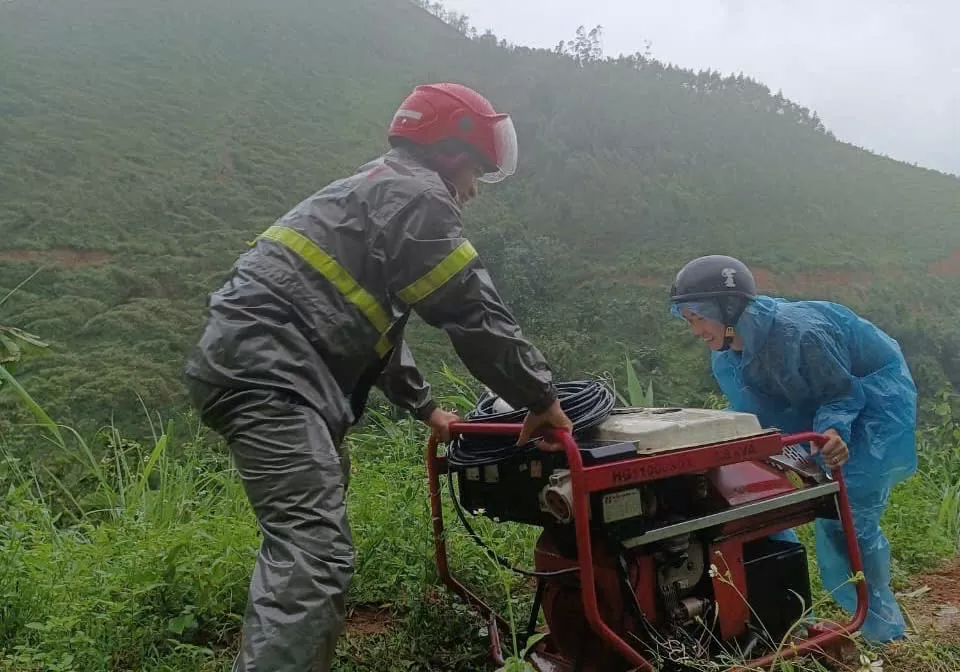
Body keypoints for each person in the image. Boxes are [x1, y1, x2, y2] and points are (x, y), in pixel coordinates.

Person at [181, 82, 573, 672]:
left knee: (312, 520)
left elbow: (373, 327)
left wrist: (427, 408)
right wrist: (538, 397)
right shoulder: (418, 197)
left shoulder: (377, 189)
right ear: (450, 153)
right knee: (313, 554)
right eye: (475, 173)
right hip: (274, 374)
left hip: (264, 365)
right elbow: (471, 311)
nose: (472, 191)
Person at [668, 254, 918, 644]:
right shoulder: (726, 356)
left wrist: (834, 433)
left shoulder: (801, 334)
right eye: (688, 321)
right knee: (759, 502)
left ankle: (881, 627)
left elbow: (840, 393)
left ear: (729, 308)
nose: (695, 329)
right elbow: (755, 413)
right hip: (817, 400)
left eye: (698, 317)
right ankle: (789, 619)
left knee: (846, 514)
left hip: (873, 404)